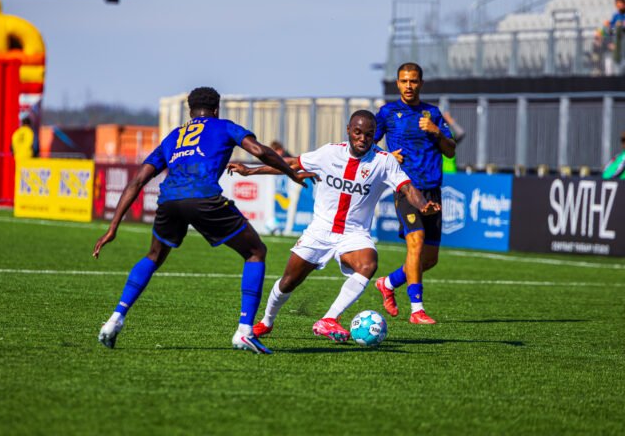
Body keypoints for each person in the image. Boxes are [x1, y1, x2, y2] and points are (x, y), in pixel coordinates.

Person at [94, 87, 312, 355]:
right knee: (255, 252)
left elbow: (138, 180)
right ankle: (244, 331)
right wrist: (290, 173)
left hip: (169, 201)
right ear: (216, 109)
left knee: (154, 255)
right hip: (203, 199)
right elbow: (259, 150)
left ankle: (115, 320)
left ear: (190, 110)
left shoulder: (174, 136)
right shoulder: (224, 126)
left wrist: (112, 228)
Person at [227, 110, 440, 342]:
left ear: (373, 136)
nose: (362, 138)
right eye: (357, 132)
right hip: (320, 230)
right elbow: (290, 164)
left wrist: (422, 205)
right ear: (348, 130)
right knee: (289, 281)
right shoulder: (329, 153)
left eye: (368, 135)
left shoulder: (384, 160)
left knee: (368, 264)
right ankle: (266, 322)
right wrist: (251, 171)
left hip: (354, 234)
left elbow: (407, 188)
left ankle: (329, 318)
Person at [373, 62, 456, 325]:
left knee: (429, 260)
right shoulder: (387, 113)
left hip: (433, 190)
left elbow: (451, 150)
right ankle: (417, 310)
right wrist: (386, 156)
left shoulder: (432, 113)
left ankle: (388, 282)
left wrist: (436, 131)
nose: (409, 86)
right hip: (406, 188)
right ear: (397, 83)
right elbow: (363, 144)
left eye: (413, 81)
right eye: (404, 81)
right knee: (416, 241)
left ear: (420, 83)